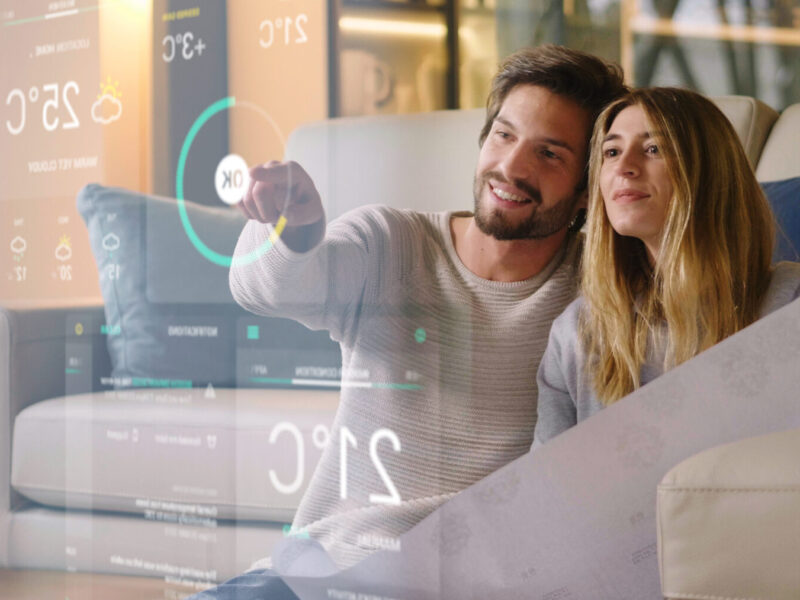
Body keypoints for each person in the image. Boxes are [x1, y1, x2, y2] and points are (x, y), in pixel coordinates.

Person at [189, 45, 626, 600]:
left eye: (550, 154)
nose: (513, 167)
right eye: (504, 135)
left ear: (588, 191)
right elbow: (262, 287)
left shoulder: (599, 291)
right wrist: (295, 226)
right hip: (325, 572)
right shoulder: (393, 244)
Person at [533, 87, 800, 448]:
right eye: (611, 152)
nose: (624, 166)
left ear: (709, 173)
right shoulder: (576, 332)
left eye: (653, 149)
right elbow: (549, 489)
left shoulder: (789, 303)